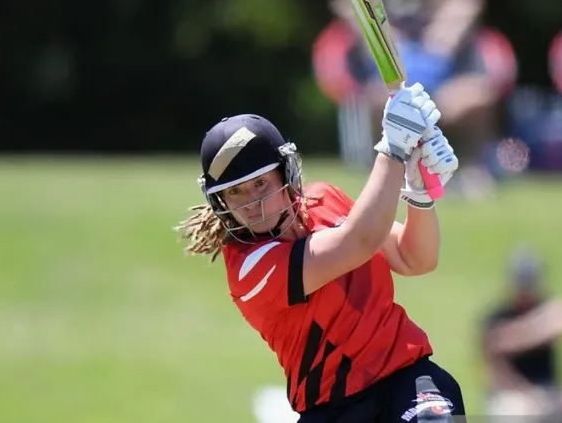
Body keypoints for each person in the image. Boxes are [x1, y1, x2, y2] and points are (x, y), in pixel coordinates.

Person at [175, 83, 466, 422]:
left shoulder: (325, 198)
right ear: (221, 203)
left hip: (405, 378)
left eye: (260, 184)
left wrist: (419, 191)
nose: (252, 203)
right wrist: (394, 148)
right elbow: (358, 241)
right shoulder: (249, 268)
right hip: (333, 409)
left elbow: (415, 257)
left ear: (286, 173)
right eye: (236, 192)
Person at [320, 0, 516, 196]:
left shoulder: (440, 32)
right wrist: (387, 6)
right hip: (394, 94)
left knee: (477, 94)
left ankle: (473, 169)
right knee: (376, 97)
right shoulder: (385, 32)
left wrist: (421, 2)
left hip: (440, 96)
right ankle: (384, 171)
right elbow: (343, 0)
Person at [481, 248, 562, 422]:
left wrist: (511, 337)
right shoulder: (497, 316)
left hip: (547, 390)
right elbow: (494, 368)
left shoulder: (547, 306)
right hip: (511, 393)